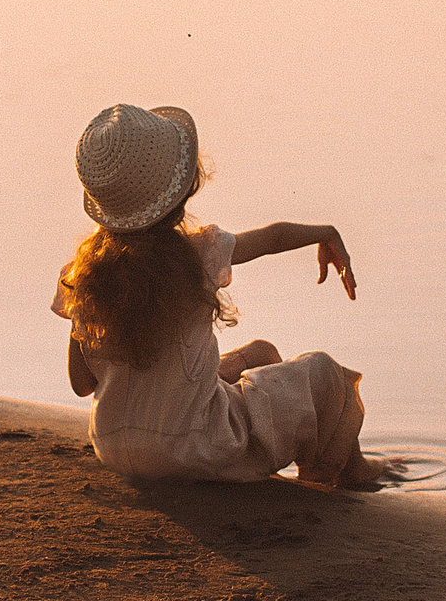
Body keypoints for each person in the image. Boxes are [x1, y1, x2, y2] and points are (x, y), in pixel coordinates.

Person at [52, 104, 383, 489]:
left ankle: (273, 459)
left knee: (260, 353)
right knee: (323, 374)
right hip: (195, 447)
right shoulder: (197, 255)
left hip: (115, 447)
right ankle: (350, 470)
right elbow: (272, 239)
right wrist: (326, 232)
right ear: (183, 186)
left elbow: (81, 383)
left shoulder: (82, 277)